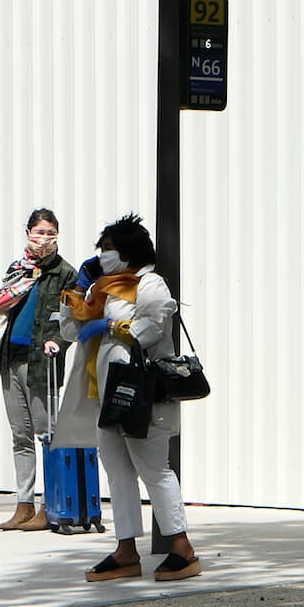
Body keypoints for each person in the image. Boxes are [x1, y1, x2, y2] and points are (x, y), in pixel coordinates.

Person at [56, 214, 201, 582]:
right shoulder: (102, 289)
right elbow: (71, 329)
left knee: (153, 468)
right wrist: (77, 290)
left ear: (127, 252)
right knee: (118, 473)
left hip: (144, 396)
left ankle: (181, 547)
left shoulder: (150, 284)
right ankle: (126, 550)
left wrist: (109, 326)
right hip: (107, 397)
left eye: (108, 249)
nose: (102, 256)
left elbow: (151, 328)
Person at [0, 208, 76, 531]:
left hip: (42, 363)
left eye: (50, 232)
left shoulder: (65, 273)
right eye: (39, 231)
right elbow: (1, 307)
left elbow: (71, 320)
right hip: (12, 358)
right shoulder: (18, 270)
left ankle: (51, 505)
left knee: (47, 433)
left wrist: (58, 343)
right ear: (28, 233)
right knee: (20, 435)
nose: (44, 238)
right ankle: (24, 504)